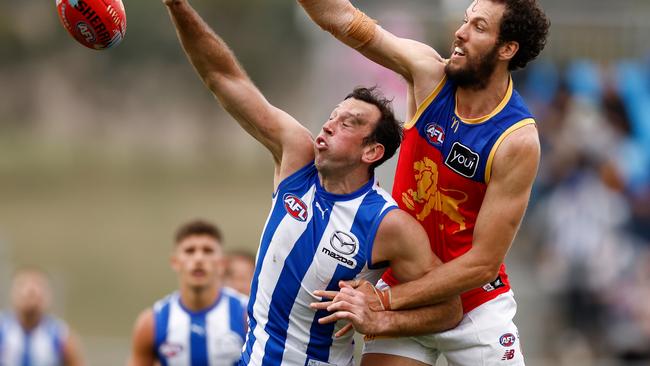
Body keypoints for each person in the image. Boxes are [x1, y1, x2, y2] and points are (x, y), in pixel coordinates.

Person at [161, 1, 462, 365]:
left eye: (349, 123)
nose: (329, 125)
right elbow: (223, 77)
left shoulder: (388, 223)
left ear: (372, 151)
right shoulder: (296, 160)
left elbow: (449, 310)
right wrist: (176, 5)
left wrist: (380, 316)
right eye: (333, 116)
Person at [298, 0, 550, 364]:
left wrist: (383, 301)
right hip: (406, 293)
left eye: (479, 27)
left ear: (507, 49)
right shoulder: (429, 74)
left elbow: (482, 265)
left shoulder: (516, 139)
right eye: (465, 21)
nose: (460, 33)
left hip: (475, 307)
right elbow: (343, 19)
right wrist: (391, 297)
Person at [128, 219, 248, 365]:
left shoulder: (247, 315)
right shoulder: (151, 323)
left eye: (207, 251)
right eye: (189, 251)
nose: (198, 258)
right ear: (175, 262)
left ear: (222, 263)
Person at [0, 268, 84, 366]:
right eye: (23, 285)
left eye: (38, 286)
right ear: (12, 293)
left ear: (48, 296)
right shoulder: (3, 329)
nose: (31, 291)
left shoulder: (61, 336)